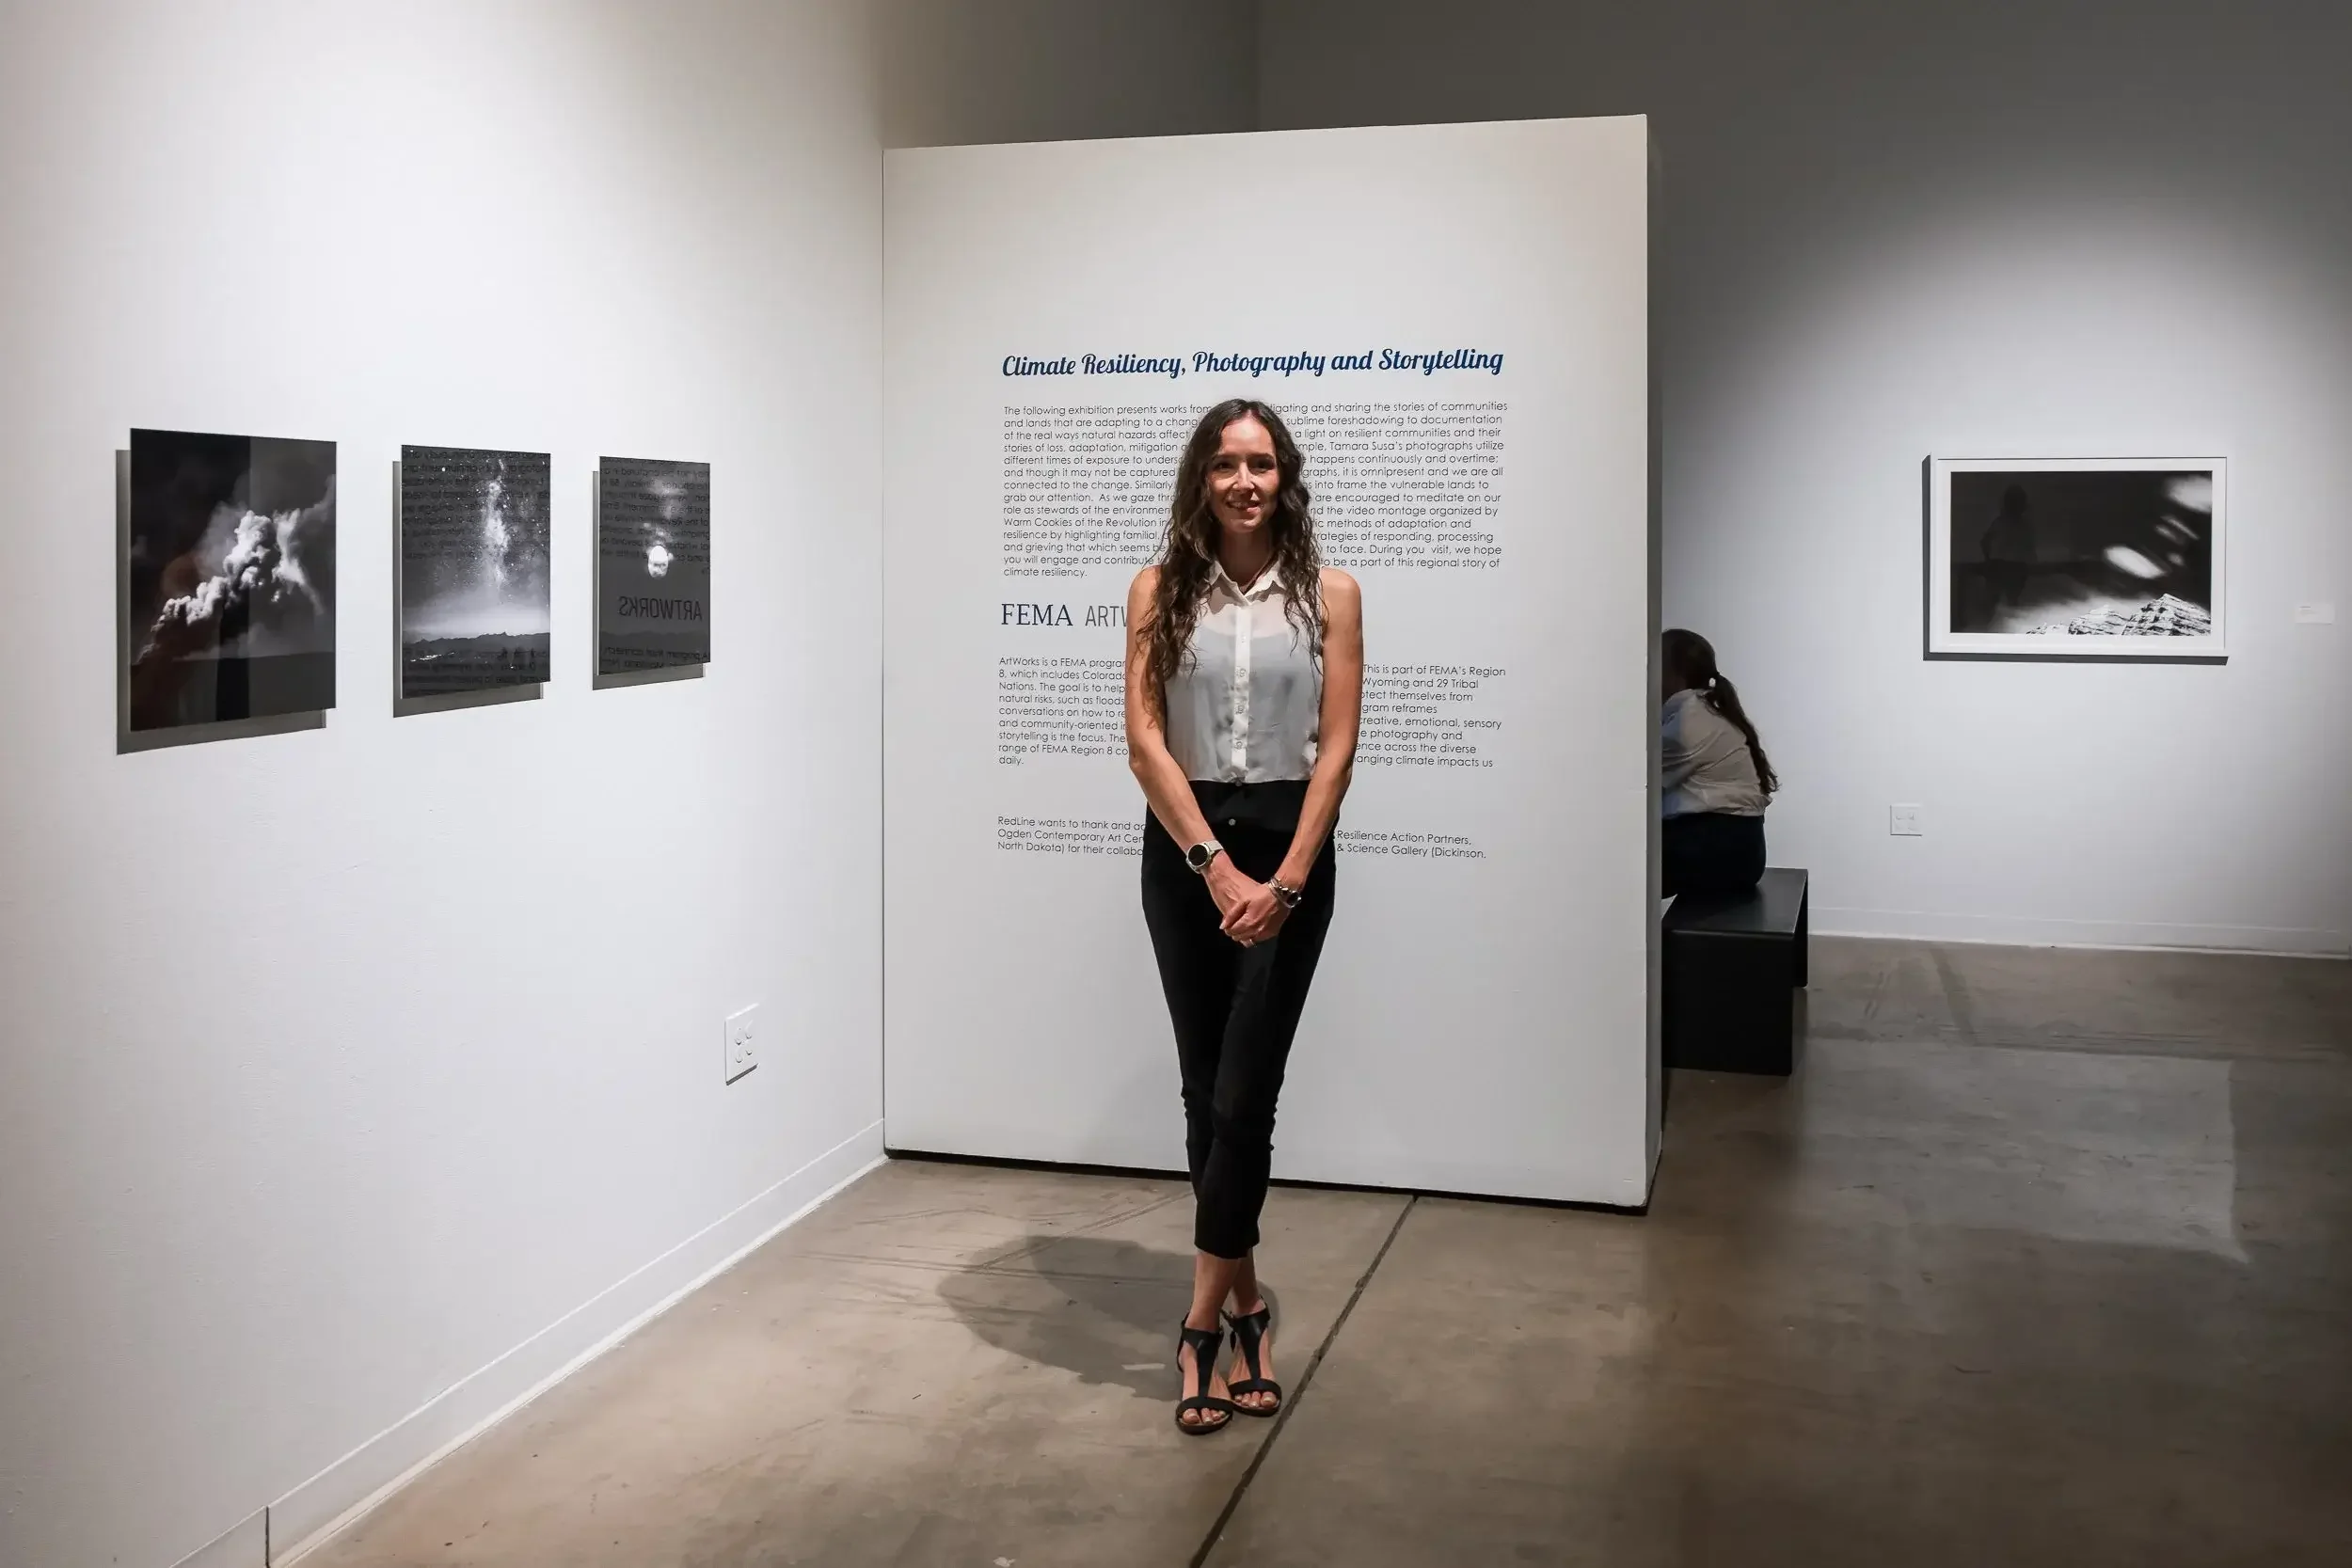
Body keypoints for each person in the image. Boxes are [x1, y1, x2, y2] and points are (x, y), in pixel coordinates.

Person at [1123, 399, 1363, 1435]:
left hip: (1290, 854)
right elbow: (1143, 741)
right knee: (1201, 1086)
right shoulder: (1154, 588)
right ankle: (1250, 1305)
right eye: (1225, 462)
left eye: (1260, 462)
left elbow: (1338, 746)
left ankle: (1199, 1324)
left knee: (1246, 1091)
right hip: (1185, 856)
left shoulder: (1332, 593)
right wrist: (1214, 867)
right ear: (1201, 477)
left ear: (1285, 476)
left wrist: (1286, 876)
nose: (1244, 480)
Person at [1661, 628, 1775, 898]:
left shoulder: (1691, 718)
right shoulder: (1705, 707)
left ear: (1671, 674)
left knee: (1614, 868)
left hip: (1717, 852)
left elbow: (1638, 777)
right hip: (1737, 849)